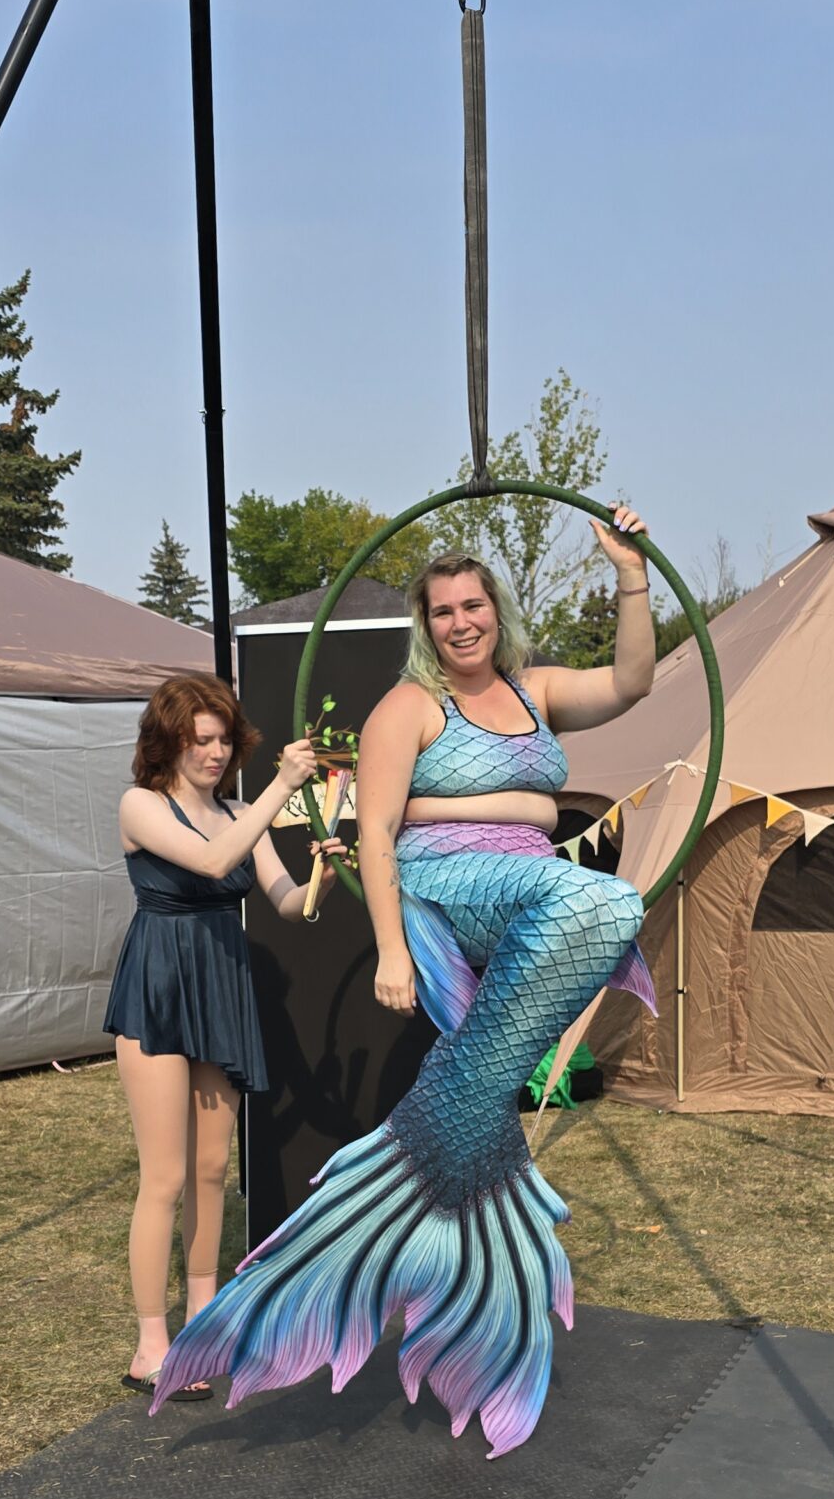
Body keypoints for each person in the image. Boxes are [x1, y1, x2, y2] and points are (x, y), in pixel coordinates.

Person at [154, 512, 659, 1451]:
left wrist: (631, 574)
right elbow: (376, 832)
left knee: (595, 907)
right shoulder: (409, 707)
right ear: (426, 626)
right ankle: (459, 1113)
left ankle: (447, 1126)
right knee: (605, 901)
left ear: (497, 611)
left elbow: (633, 681)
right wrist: (390, 947)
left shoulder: (537, 688)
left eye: (473, 606)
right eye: (443, 612)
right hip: (448, 877)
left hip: (528, 878)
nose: (461, 622)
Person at [108, 673, 333, 1397]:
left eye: (224, 739)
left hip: (220, 989)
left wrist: (323, 877)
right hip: (159, 990)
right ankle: (151, 1346)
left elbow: (286, 902)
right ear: (167, 743)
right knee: (166, 1177)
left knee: (211, 1170)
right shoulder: (141, 805)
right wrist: (283, 786)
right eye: (200, 740)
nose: (215, 753)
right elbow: (211, 861)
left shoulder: (237, 811)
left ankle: (204, 1324)